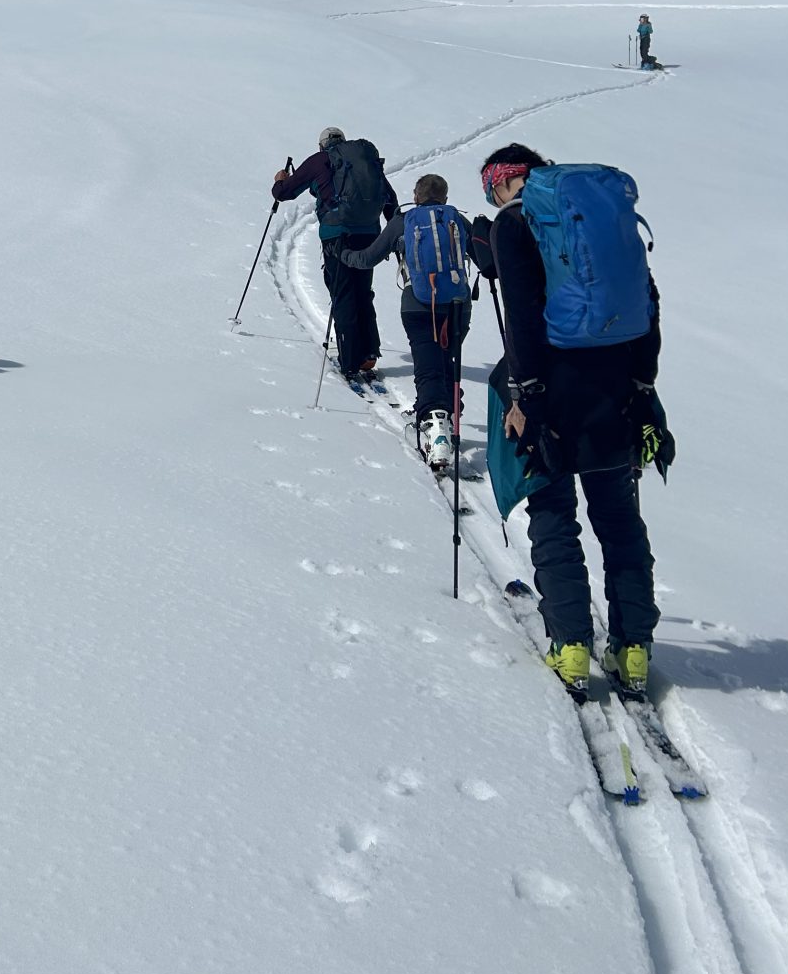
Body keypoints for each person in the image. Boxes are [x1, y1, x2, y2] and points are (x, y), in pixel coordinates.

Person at [476, 142, 661, 701]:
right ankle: (632, 651)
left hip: (553, 393)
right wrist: (642, 385)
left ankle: (571, 644)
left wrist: (525, 399)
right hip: (616, 387)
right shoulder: (598, 216)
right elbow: (648, 304)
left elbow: (525, 319)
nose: (493, 197)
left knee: (555, 515)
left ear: (506, 181)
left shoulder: (515, 225)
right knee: (620, 522)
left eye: (491, 187)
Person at [340, 174, 471, 467]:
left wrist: (344, 254)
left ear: (416, 194)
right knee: (446, 360)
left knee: (427, 366)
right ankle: (448, 415)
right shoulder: (456, 220)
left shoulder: (403, 221)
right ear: (445, 197)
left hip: (418, 305)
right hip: (458, 306)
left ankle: (435, 427)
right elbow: (486, 257)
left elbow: (368, 258)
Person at [271, 128, 397, 381]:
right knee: (363, 291)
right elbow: (389, 198)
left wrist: (279, 180)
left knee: (343, 293)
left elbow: (283, 193)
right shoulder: (364, 161)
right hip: (370, 234)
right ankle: (369, 354)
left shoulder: (320, 160)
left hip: (337, 235)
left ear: (322, 145)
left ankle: (349, 361)